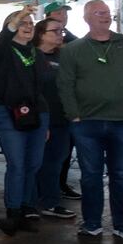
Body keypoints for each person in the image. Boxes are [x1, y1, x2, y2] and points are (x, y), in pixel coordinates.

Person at [58, 0, 123, 239]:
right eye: (98, 13)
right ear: (86, 18)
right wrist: (73, 114)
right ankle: (92, 223)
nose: (105, 16)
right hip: (87, 122)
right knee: (91, 175)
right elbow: (65, 84)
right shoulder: (73, 49)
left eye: (107, 12)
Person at [0, 8, 48, 236]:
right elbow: (5, 35)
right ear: (10, 26)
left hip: (37, 112)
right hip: (5, 110)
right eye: (22, 22)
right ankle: (13, 212)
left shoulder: (36, 52)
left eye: (31, 22)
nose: (28, 25)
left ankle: (24, 208)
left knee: (34, 163)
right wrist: (19, 15)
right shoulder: (2, 49)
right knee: (18, 162)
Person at [33, 17, 75, 219]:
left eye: (62, 31)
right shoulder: (32, 56)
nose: (60, 35)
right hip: (41, 117)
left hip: (63, 117)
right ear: (41, 34)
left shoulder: (64, 55)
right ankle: (45, 201)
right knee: (44, 162)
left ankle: (50, 198)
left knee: (58, 160)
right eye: (56, 31)